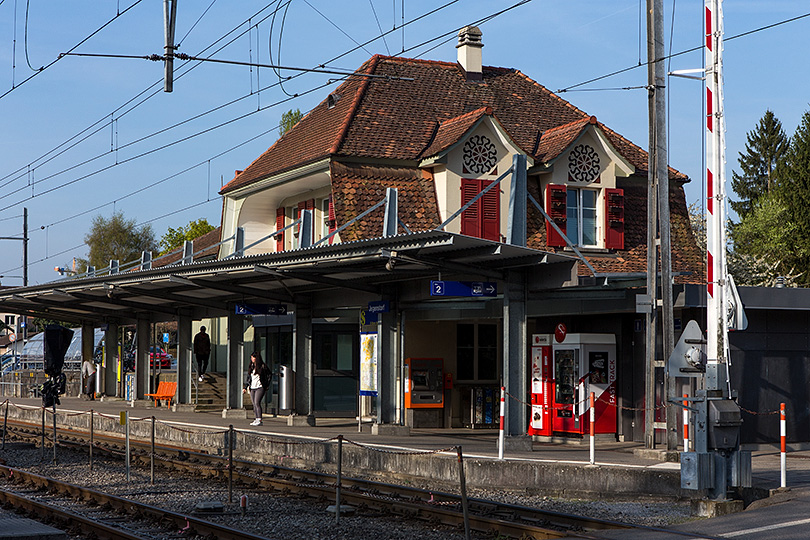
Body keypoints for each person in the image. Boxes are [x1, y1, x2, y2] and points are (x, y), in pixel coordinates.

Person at [243, 351, 270, 426]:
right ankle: (256, 418)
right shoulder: (251, 366)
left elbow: (269, 374)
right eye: (251, 357)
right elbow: (248, 378)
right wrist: (245, 387)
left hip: (260, 387)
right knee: (254, 404)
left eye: (253, 357)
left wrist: (266, 384)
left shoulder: (262, 366)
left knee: (257, 402)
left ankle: (259, 419)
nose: (251, 359)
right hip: (252, 387)